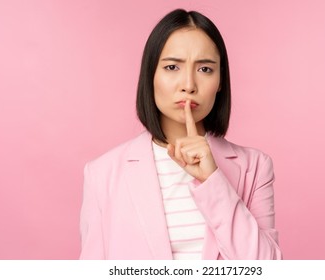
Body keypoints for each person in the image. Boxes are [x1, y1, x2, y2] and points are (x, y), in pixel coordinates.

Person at [79, 8, 282, 260]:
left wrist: (212, 179)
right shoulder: (102, 174)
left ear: (220, 82)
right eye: (172, 66)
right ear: (150, 75)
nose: (188, 84)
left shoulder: (255, 167)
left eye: (205, 69)